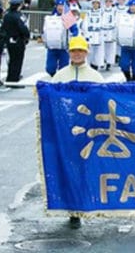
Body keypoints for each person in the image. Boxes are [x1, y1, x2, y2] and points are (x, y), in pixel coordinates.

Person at [52, 36, 103, 229]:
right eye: (74, 51)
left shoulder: (95, 77)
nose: (77, 54)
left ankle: (84, 203)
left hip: (88, 132)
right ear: (69, 53)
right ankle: (72, 209)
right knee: (67, 168)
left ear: (86, 53)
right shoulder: (60, 76)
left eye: (81, 51)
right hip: (65, 131)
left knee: (85, 169)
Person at [2, 0, 30, 86]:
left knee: (12, 59)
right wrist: (27, 36)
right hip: (18, 40)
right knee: (18, 60)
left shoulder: (7, 15)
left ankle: (10, 77)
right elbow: (23, 28)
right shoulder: (18, 16)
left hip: (9, 39)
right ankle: (14, 79)